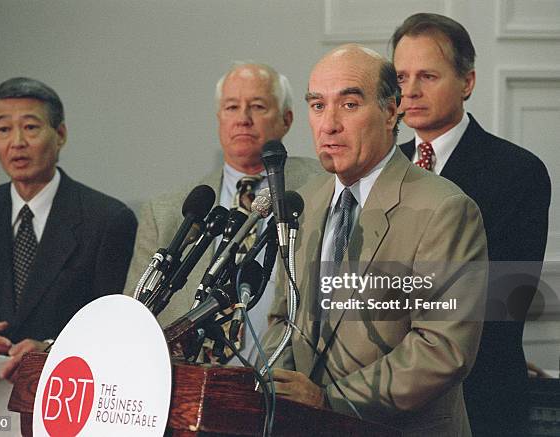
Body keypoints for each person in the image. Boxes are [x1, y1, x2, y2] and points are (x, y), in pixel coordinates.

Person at [262, 44, 488, 436]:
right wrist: (274, 389)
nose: (329, 124)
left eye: (349, 105)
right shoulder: (305, 201)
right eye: (317, 106)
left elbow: (442, 348)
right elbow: (283, 317)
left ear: (390, 111)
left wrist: (327, 401)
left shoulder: (445, 209)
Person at [391, 13, 551, 435]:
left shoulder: (519, 171)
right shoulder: (381, 168)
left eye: (427, 75)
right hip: (386, 399)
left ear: (467, 82)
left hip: (480, 400)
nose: (410, 90)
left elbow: (505, 295)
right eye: (401, 76)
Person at [124, 62, 322, 363]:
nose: (243, 119)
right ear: (219, 119)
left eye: (257, 106)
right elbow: (133, 316)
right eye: (231, 107)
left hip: (286, 375)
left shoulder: (321, 188)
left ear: (287, 119)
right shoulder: (168, 210)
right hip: (186, 378)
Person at [0, 77, 138, 382]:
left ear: (60, 134)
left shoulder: (107, 220)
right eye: (4, 129)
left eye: (31, 127)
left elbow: (113, 326)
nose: (17, 142)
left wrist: (51, 349)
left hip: (66, 395)